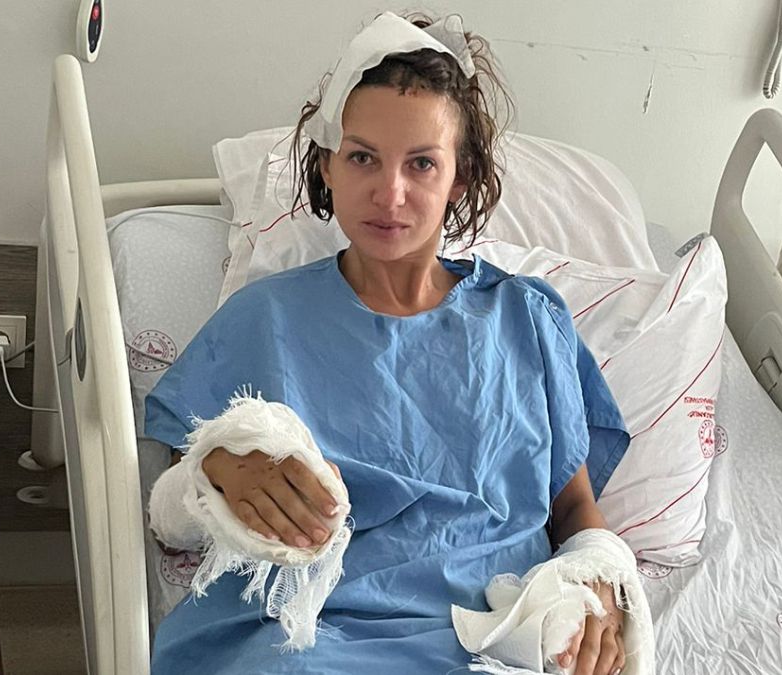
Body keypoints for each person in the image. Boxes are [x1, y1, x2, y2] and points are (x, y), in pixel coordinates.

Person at [145, 12, 631, 674]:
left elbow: (572, 507)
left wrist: (599, 579)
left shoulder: (526, 318)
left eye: (422, 163)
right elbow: (172, 512)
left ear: (459, 177)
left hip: (498, 633)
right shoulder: (263, 318)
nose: (390, 193)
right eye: (363, 157)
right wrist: (217, 472)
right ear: (328, 166)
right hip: (311, 633)